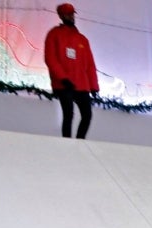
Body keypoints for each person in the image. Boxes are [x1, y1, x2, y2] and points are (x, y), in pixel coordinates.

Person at [44, 3, 99, 139]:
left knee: (87, 115)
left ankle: (80, 141)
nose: (71, 16)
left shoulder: (82, 39)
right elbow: (50, 58)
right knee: (68, 114)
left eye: (72, 13)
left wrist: (94, 87)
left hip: (82, 84)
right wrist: (62, 78)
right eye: (68, 14)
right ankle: (67, 143)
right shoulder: (54, 34)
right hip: (64, 84)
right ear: (61, 16)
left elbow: (90, 65)